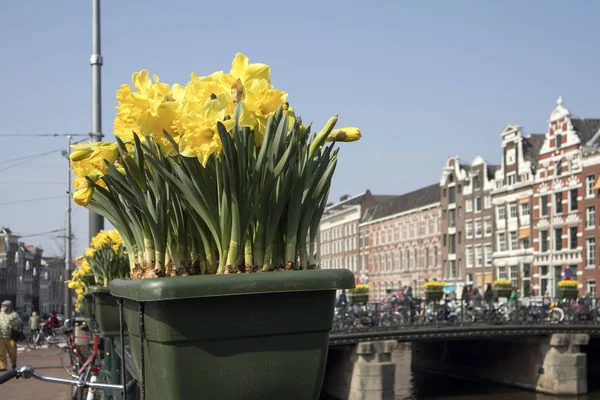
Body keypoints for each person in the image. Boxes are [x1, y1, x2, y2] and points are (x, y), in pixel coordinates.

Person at [0, 300, 21, 371]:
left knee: (12, 352)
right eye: (2, 305)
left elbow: (19, 321)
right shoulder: (0, 314)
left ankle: (13, 363)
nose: (3, 307)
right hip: (1, 336)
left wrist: (13, 324)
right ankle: (3, 366)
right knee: (1, 353)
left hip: (11, 336)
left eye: (4, 305)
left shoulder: (14, 314)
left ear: (9, 306)